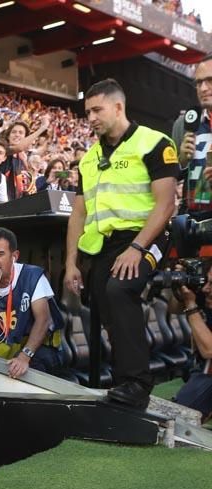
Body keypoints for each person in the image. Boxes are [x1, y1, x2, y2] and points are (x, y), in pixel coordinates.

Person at [65, 78, 179, 409]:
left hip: (150, 235)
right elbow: (78, 213)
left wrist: (138, 248)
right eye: (87, 112)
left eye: (97, 110)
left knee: (119, 289)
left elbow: (166, 204)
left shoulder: (154, 143)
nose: (91, 118)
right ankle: (121, 379)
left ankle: (137, 384)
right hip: (107, 244)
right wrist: (71, 262)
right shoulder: (88, 159)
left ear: (118, 107)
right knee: (101, 298)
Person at [0, 228, 66, 379]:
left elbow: (43, 320)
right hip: (4, 356)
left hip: (40, 351)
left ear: (14, 256)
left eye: (0, 254)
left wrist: (24, 356)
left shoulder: (32, 275)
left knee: (29, 368)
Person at [171, 264, 212, 421]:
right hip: (202, 369)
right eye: (206, 282)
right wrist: (180, 288)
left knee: (182, 419)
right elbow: (173, 308)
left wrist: (191, 306)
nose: (206, 289)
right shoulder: (206, 296)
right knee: (179, 414)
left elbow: (209, 350)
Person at [176, 55, 212, 211]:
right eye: (198, 82)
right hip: (194, 221)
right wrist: (181, 160)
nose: (203, 88)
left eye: (210, 80)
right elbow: (170, 178)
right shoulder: (184, 124)